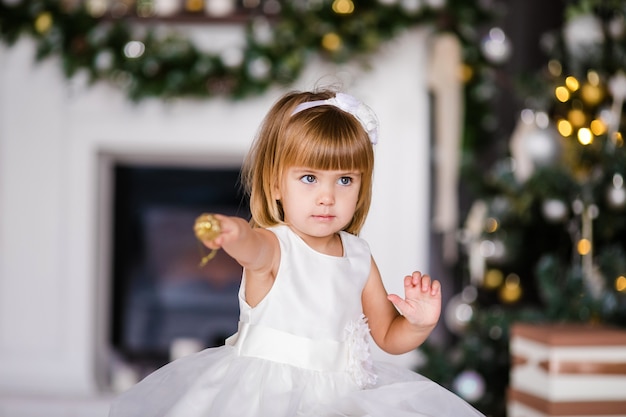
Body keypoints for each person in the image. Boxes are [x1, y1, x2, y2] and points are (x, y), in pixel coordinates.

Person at [108, 89, 485, 417]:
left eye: (344, 180)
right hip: (269, 397)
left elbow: (387, 334)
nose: (327, 196)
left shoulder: (357, 255)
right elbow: (251, 248)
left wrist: (418, 324)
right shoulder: (275, 246)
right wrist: (232, 231)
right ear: (275, 185)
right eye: (309, 178)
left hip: (345, 398)